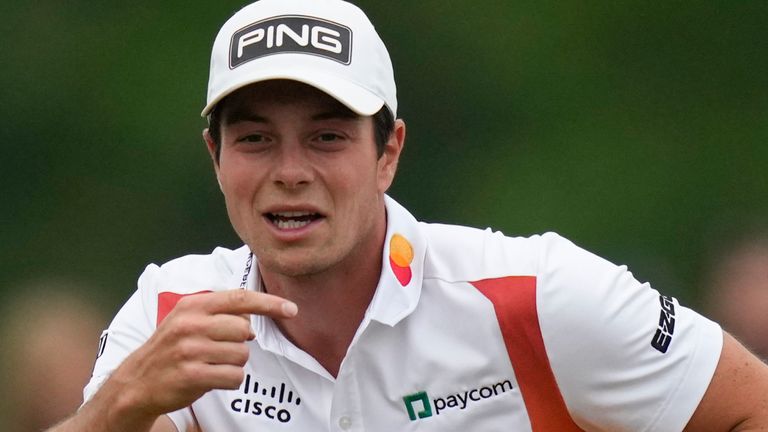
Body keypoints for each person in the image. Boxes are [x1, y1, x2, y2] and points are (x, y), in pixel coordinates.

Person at [50, 0, 768, 430]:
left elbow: (749, 408)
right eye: (255, 140)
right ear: (216, 157)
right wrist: (123, 402)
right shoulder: (170, 312)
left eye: (327, 137)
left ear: (388, 152)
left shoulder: (534, 296)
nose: (289, 171)